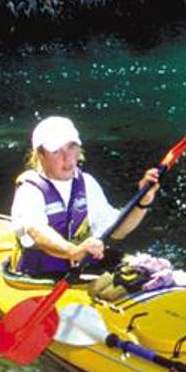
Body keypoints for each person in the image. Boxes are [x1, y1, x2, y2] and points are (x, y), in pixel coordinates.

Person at [10, 115, 161, 278]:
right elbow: (37, 231)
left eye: (71, 147)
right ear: (40, 154)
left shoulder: (86, 183)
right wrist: (73, 252)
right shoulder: (29, 190)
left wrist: (143, 201)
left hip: (82, 271)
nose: (67, 158)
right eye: (56, 151)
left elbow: (117, 231)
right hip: (39, 275)